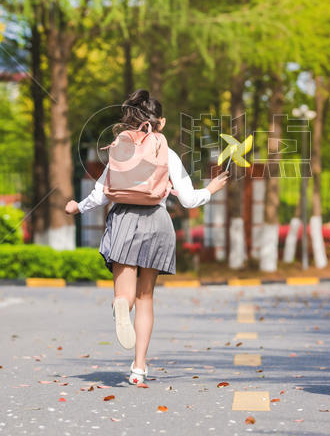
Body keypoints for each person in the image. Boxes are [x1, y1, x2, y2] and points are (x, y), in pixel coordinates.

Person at [65, 89, 228, 386]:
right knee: (146, 297)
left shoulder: (119, 149)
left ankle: (120, 305)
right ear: (161, 122)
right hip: (156, 223)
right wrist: (212, 188)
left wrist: (77, 206)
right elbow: (189, 200)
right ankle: (138, 367)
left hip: (124, 221)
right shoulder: (167, 152)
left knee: (125, 294)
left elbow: (100, 194)